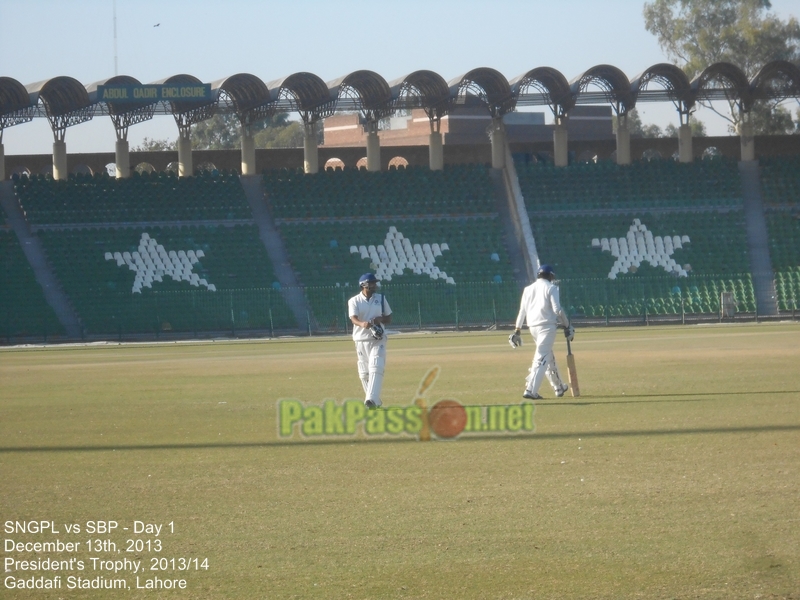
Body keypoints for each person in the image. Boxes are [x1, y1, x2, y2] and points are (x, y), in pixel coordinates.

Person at [509, 264, 575, 399]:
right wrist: (567, 325)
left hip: (532, 327)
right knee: (541, 357)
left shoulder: (528, 289)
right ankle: (530, 390)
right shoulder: (551, 288)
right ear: (551, 276)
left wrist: (517, 330)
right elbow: (557, 310)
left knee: (548, 356)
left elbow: (522, 311)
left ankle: (558, 387)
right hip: (547, 327)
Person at [348, 273, 393, 409]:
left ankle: (370, 400)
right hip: (361, 339)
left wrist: (380, 319)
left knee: (376, 365)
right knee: (364, 372)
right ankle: (375, 401)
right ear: (363, 285)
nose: (375, 285)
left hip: (378, 338)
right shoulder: (354, 300)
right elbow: (353, 318)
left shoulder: (381, 298)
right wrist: (362, 324)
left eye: (375, 283)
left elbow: (389, 318)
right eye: (372, 283)